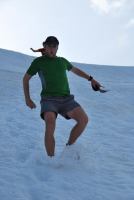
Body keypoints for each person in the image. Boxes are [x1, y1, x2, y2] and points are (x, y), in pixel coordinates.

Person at [23, 36, 102, 157]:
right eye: (49, 46)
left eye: (54, 46)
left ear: (57, 48)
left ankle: (68, 149)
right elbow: (26, 79)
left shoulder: (62, 61)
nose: (51, 49)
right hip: (48, 99)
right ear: (44, 46)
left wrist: (91, 79)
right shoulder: (38, 62)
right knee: (50, 123)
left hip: (66, 99)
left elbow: (75, 70)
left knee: (83, 120)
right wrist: (27, 99)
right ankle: (51, 159)